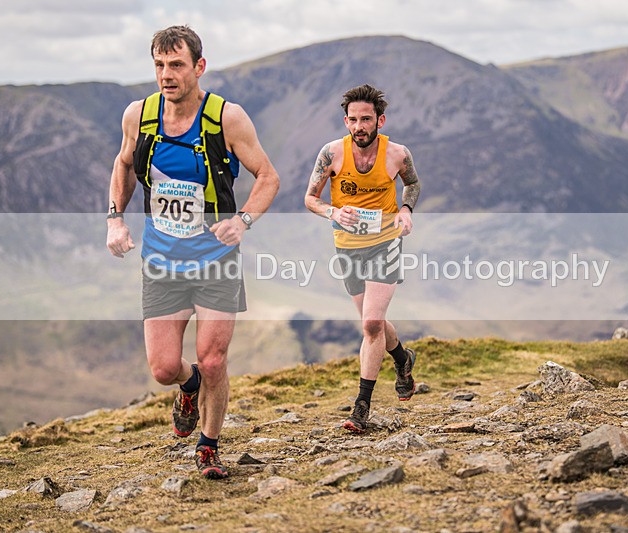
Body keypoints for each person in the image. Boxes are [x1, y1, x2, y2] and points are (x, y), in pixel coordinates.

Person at [106, 25, 279, 478]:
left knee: (215, 357)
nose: (167, 75)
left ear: (199, 67)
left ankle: (208, 446)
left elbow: (268, 176)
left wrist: (242, 222)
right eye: (160, 66)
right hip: (162, 261)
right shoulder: (138, 116)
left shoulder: (227, 118)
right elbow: (124, 164)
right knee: (163, 368)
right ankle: (189, 384)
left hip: (214, 261)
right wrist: (114, 218)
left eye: (177, 65)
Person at [304, 84, 421, 433]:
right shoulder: (331, 154)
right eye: (353, 120)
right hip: (348, 245)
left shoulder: (398, 153)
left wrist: (405, 209)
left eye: (366, 119)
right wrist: (332, 213)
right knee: (376, 323)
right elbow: (310, 198)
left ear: (380, 120)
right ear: (346, 121)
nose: (359, 126)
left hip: (386, 241)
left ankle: (361, 408)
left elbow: (412, 184)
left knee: (370, 325)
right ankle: (402, 359)